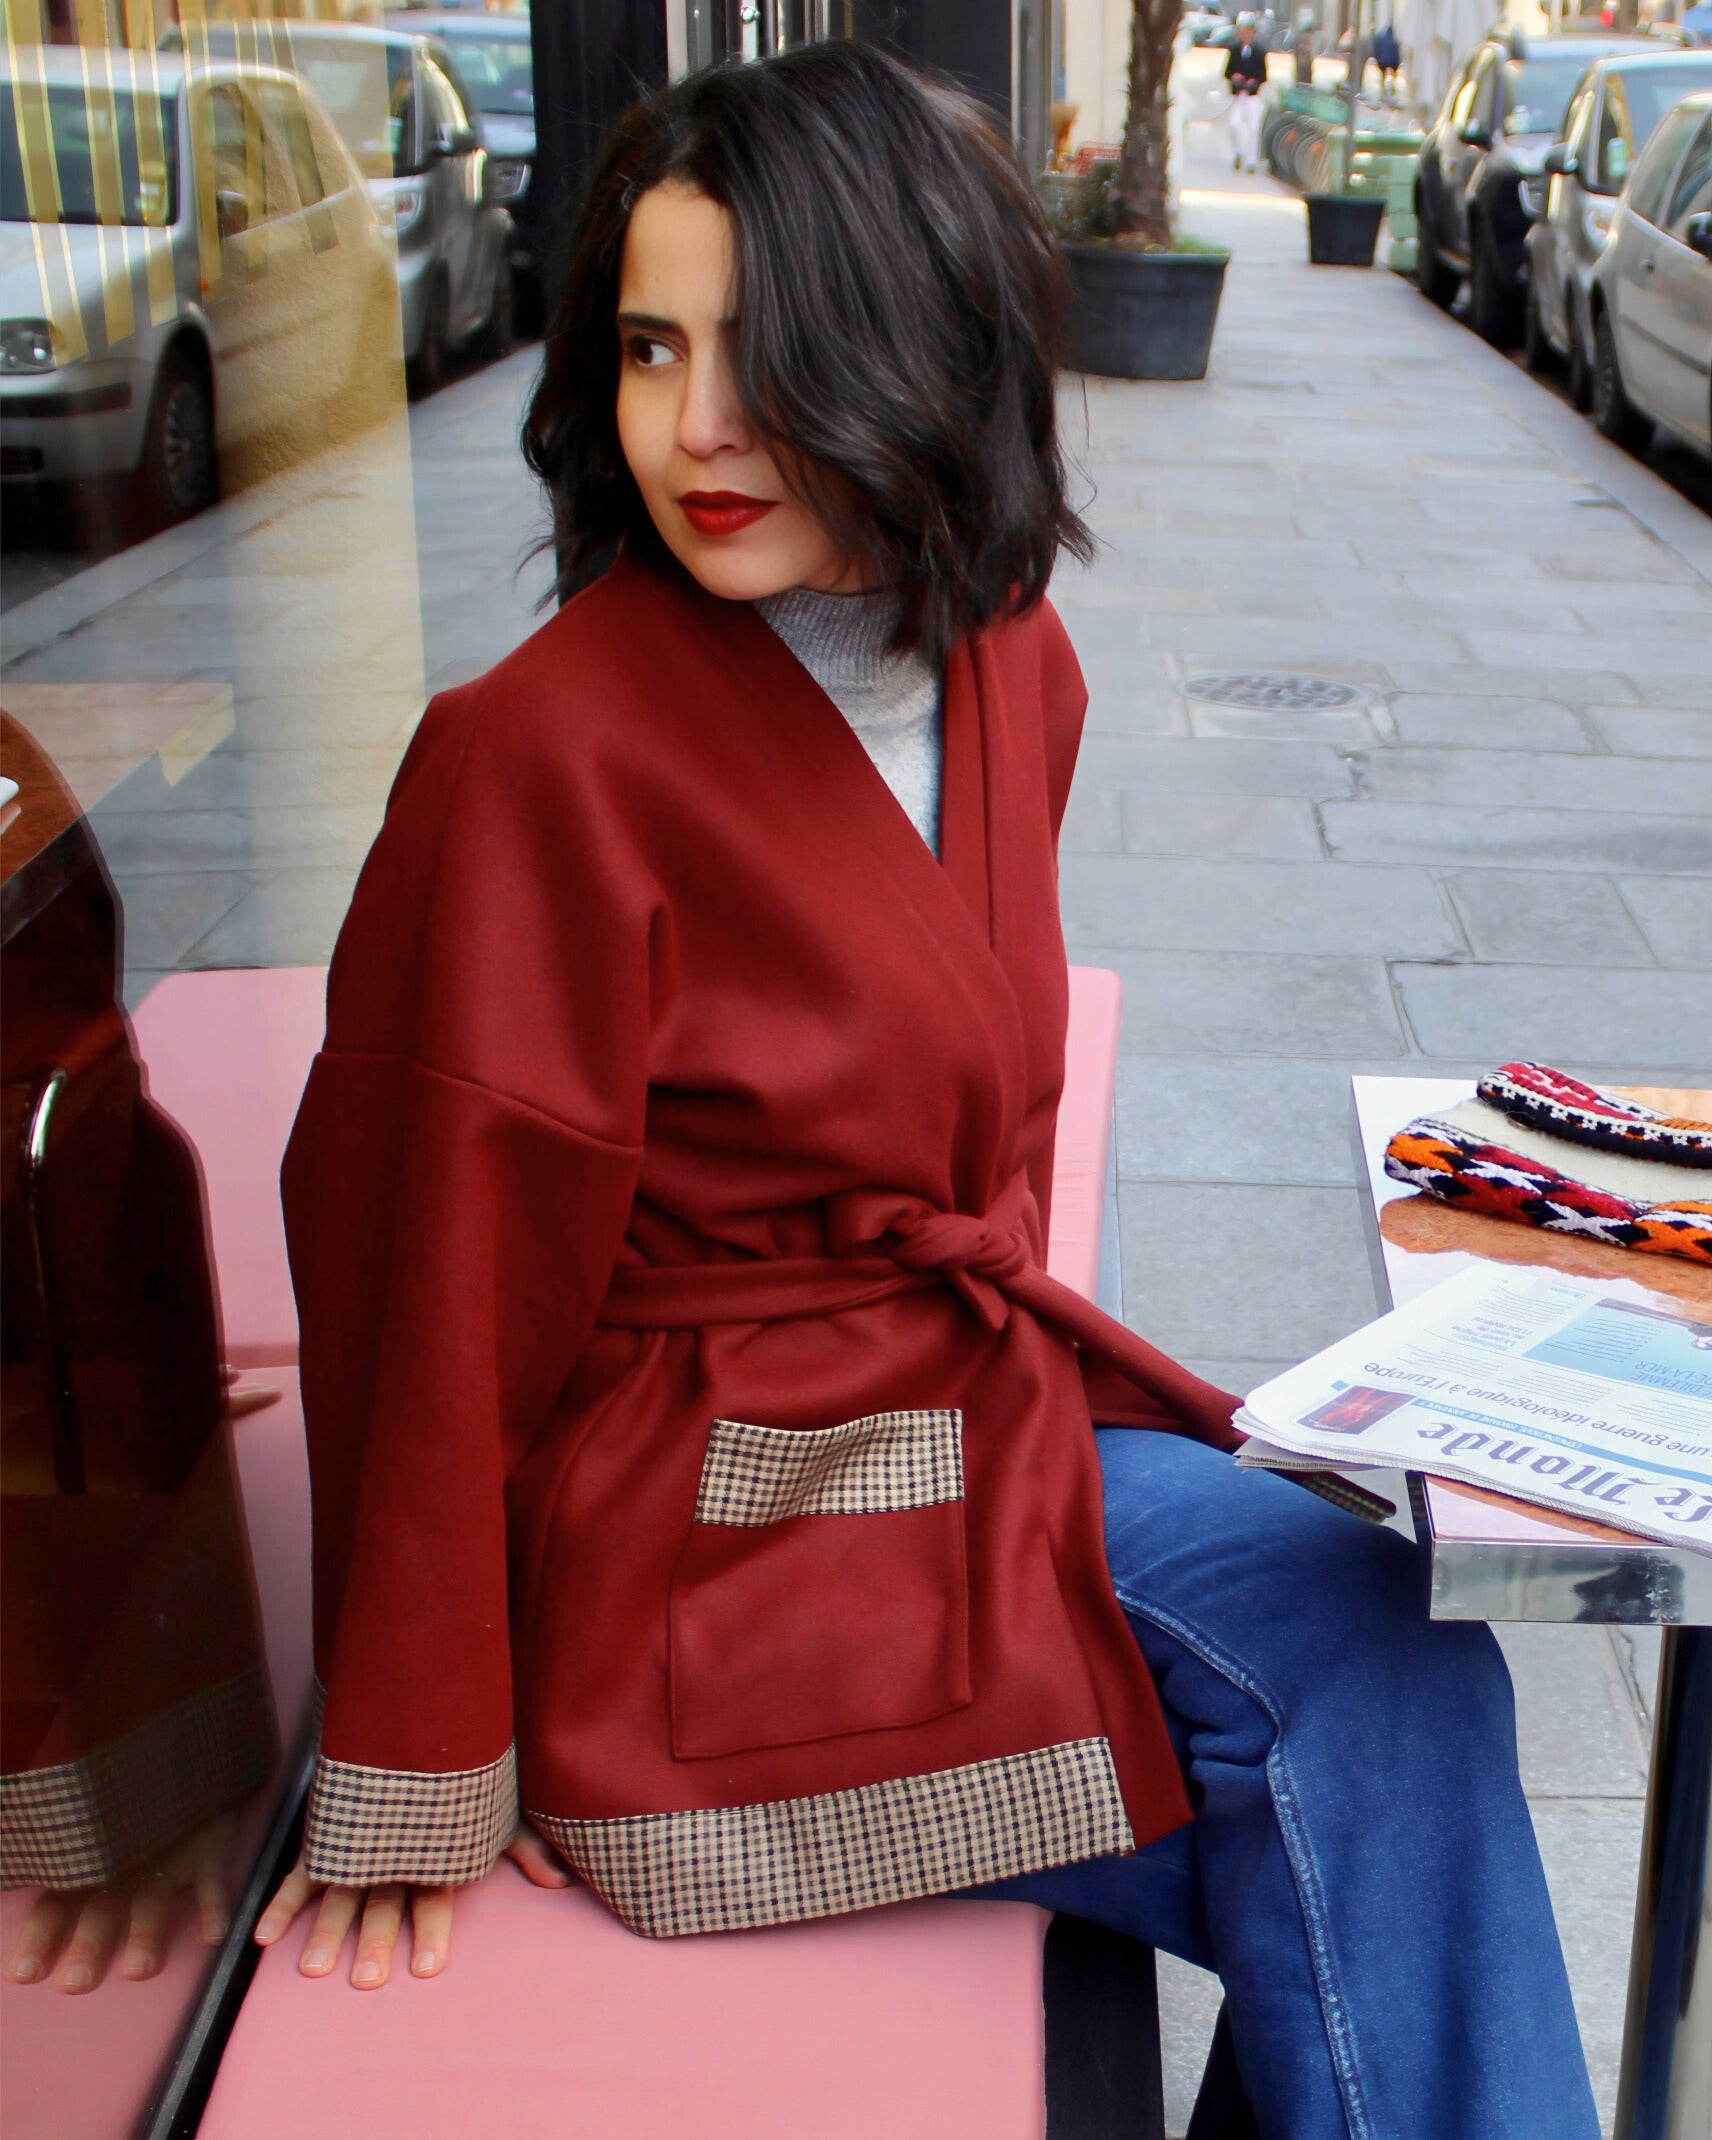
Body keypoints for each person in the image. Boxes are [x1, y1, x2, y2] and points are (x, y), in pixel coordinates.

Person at [254, 45, 1599, 2138]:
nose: (691, 426)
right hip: (700, 1524)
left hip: (936, 1404)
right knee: (1371, 1704)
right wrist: (423, 1749)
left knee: (1375, 1752)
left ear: (917, 346)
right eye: (643, 346)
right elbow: (417, 1264)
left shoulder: (1005, 660)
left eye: (764, 353)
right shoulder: (533, 757)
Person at [1225, 13, 1268, 173]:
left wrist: (1254, 81)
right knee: (1234, 125)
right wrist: (1234, 76)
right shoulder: (1233, 50)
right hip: (1237, 95)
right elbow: (1227, 71)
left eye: (1245, 32)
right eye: (1239, 32)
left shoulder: (1259, 51)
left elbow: (1264, 75)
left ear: (1251, 32)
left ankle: (1251, 161)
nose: (1242, 35)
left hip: (1252, 96)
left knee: (1253, 128)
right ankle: (1237, 153)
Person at [1372, 20, 1402, 103]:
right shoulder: (1394, 41)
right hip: (1393, 62)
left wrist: (1377, 59)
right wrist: (1398, 63)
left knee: (1382, 76)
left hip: (1382, 62)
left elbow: (1377, 50)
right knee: (1393, 75)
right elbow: (1397, 53)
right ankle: (1393, 89)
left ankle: (1382, 92)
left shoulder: (1380, 40)